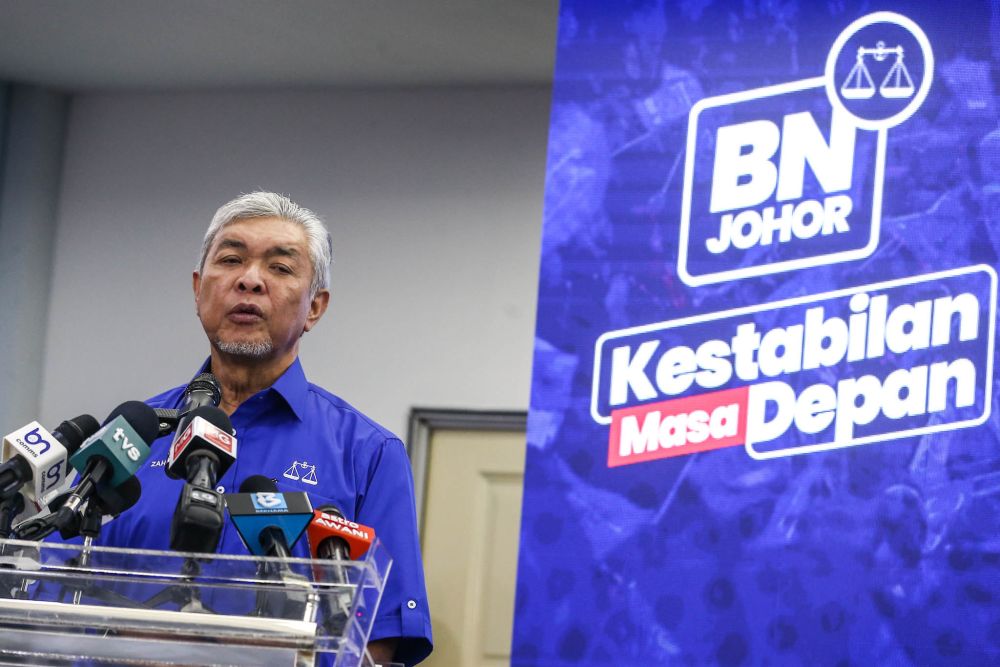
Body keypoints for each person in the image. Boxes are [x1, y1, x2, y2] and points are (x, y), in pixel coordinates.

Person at [96, 191, 433, 665]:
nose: (249, 280)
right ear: (198, 289)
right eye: (231, 259)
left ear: (315, 307)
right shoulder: (132, 433)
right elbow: (48, 589)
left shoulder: (368, 454)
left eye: (279, 268)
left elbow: (379, 637)